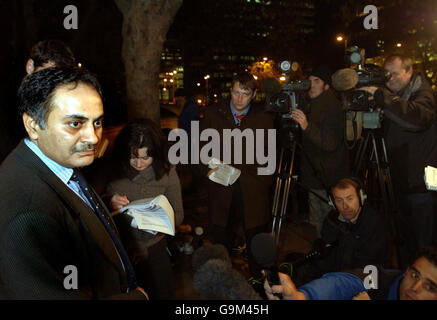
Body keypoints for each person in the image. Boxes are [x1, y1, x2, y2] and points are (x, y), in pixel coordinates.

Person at [0, 67, 147, 299]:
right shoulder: (27, 211)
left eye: (97, 123)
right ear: (33, 125)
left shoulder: (58, 163)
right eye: (75, 124)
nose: (93, 138)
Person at [360, 55, 437, 268]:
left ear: (409, 71)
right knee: (405, 243)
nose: (390, 79)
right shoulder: (398, 96)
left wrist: (381, 97)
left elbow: (417, 120)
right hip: (403, 182)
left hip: (424, 184)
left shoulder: (423, 93)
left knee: (425, 248)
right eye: (387, 74)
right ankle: (406, 281)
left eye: (394, 73)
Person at [199, 71, 275, 279]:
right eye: (235, 93)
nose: (239, 99)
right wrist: (207, 168)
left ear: (253, 94)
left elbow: (269, 154)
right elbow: (201, 147)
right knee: (221, 236)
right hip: (221, 186)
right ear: (229, 92)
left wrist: (262, 183)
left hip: (252, 187)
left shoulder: (264, 117)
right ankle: (222, 280)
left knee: (254, 237)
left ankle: (259, 282)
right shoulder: (214, 113)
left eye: (245, 93)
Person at [106, 119, 184, 300]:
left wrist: (158, 221)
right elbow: (92, 208)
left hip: (155, 249)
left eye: (145, 158)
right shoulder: (112, 171)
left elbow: (178, 215)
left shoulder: (167, 172)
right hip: (122, 250)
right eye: (133, 157)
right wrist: (110, 202)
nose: (139, 164)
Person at [291, 66, 349, 237]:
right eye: (309, 80)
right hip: (315, 176)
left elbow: (330, 143)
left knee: (330, 223)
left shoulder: (332, 106)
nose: (312, 85)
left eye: (317, 81)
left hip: (328, 178)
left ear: (326, 85)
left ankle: (330, 256)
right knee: (318, 223)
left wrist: (307, 126)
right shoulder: (310, 104)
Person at [264, 247, 437, 300]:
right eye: (415, 275)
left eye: (429, 287)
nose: (415, 288)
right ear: (406, 271)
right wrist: (302, 296)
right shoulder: (380, 278)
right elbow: (341, 282)